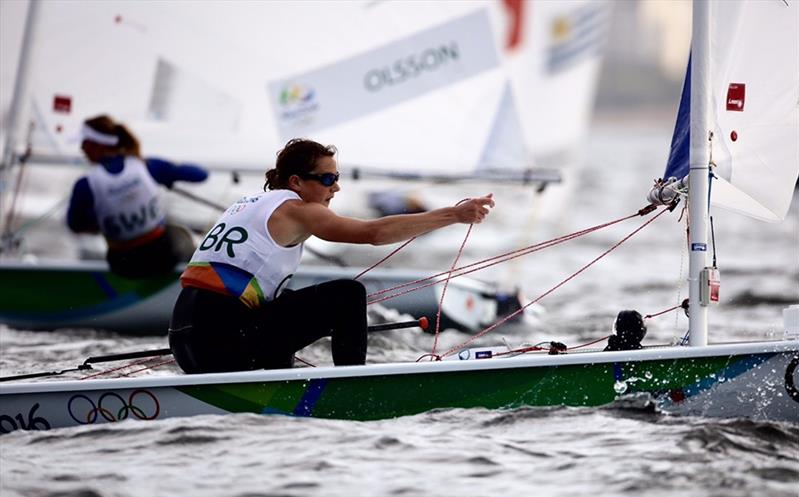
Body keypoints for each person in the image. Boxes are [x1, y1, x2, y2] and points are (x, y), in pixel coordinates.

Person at [169, 138, 495, 374]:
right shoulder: (298, 210)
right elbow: (374, 234)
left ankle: (278, 375)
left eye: (336, 178)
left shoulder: (248, 203)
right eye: (327, 179)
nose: (335, 188)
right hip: (218, 340)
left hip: (185, 339)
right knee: (346, 295)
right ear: (296, 182)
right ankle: (351, 384)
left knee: (288, 302)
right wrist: (453, 215)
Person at [66, 114, 208, 277]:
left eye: (84, 143)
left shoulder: (85, 184)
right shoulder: (145, 165)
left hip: (123, 266)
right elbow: (201, 175)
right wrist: (167, 173)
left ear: (97, 145)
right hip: (163, 258)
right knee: (182, 234)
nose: (81, 149)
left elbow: (74, 225)